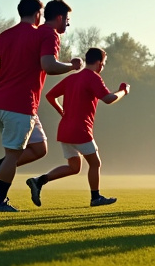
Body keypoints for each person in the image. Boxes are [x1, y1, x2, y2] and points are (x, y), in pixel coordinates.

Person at [0, 0, 82, 212]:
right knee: (12, 155)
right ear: (38, 14)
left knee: (39, 148)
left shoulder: (6, 35)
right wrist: (71, 66)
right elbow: (49, 65)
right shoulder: (44, 34)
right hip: (19, 105)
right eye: (66, 20)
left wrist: (4, 74)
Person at [27, 48, 129, 206]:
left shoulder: (72, 78)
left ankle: (39, 181)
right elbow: (108, 99)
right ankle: (95, 197)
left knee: (74, 167)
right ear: (99, 63)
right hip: (80, 130)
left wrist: (62, 112)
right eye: (103, 63)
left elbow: (50, 95)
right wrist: (123, 91)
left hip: (65, 130)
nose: (102, 67)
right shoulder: (93, 77)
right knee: (95, 163)